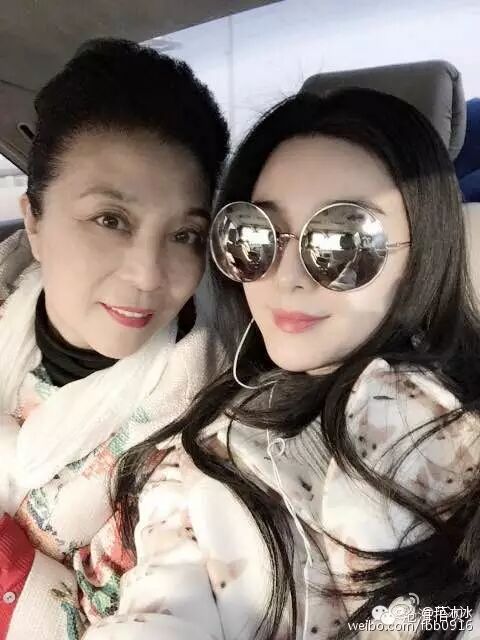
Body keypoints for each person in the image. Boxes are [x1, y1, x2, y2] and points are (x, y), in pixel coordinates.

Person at [103, 87, 480, 640]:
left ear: (423, 253)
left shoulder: (453, 431)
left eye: (343, 239)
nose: (287, 277)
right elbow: (164, 604)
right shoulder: (199, 447)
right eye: (254, 235)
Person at [0, 38, 228, 639]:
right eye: (111, 220)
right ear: (34, 220)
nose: (149, 276)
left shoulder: (202, 437)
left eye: (184, 235)